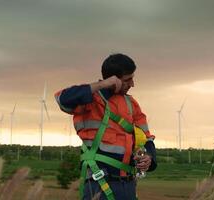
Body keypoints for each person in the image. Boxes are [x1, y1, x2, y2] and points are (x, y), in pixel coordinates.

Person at [54, 53, 157, 200]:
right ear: (113, 80)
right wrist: (102, 85)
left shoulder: (131, 104)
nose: (132, 84)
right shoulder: (90, 100)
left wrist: (149, 157)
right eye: (128, 80)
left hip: (128, 185)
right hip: (99, 184)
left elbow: (146, 137)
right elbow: (62, 99)